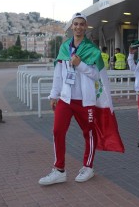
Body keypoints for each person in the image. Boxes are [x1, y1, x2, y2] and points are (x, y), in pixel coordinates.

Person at [39, 12, 124, 186]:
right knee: (57, 131)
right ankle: (59, 170)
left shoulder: (92, 50)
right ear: (72, 27)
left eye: (81, 24)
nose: (78, 27)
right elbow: (58, 75)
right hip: (66, 99)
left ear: (86, 27)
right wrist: (54, 95)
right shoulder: (64, 48)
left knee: (89, 133)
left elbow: (95, 75)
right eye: (75, 24)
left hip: (85, 101)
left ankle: (88, 167)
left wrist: (80, 64)